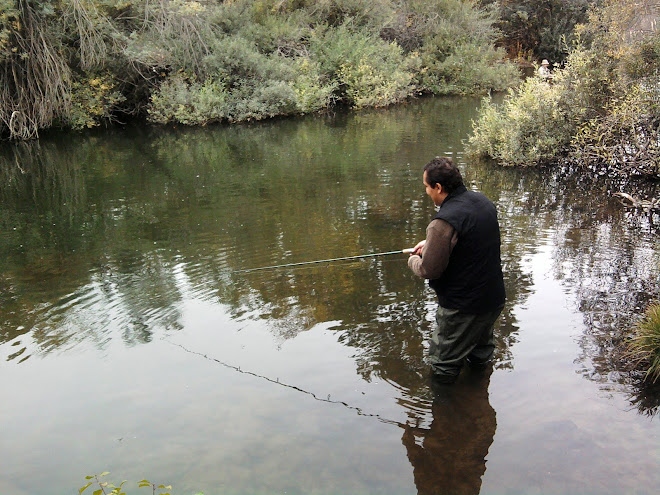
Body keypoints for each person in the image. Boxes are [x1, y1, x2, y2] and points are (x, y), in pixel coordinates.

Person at [408, 157, 505, 384]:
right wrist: (431, 243)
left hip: (462, 307)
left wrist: (413, 259)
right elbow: (469, 241)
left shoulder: (443, 222)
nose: (426, 191)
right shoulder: (483, 202)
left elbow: (429, 269)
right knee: (480, 355)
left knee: (443, 365)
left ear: (438, 187)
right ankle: (478, 399)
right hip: (492, 299)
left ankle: (446, 412)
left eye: (426, 186)